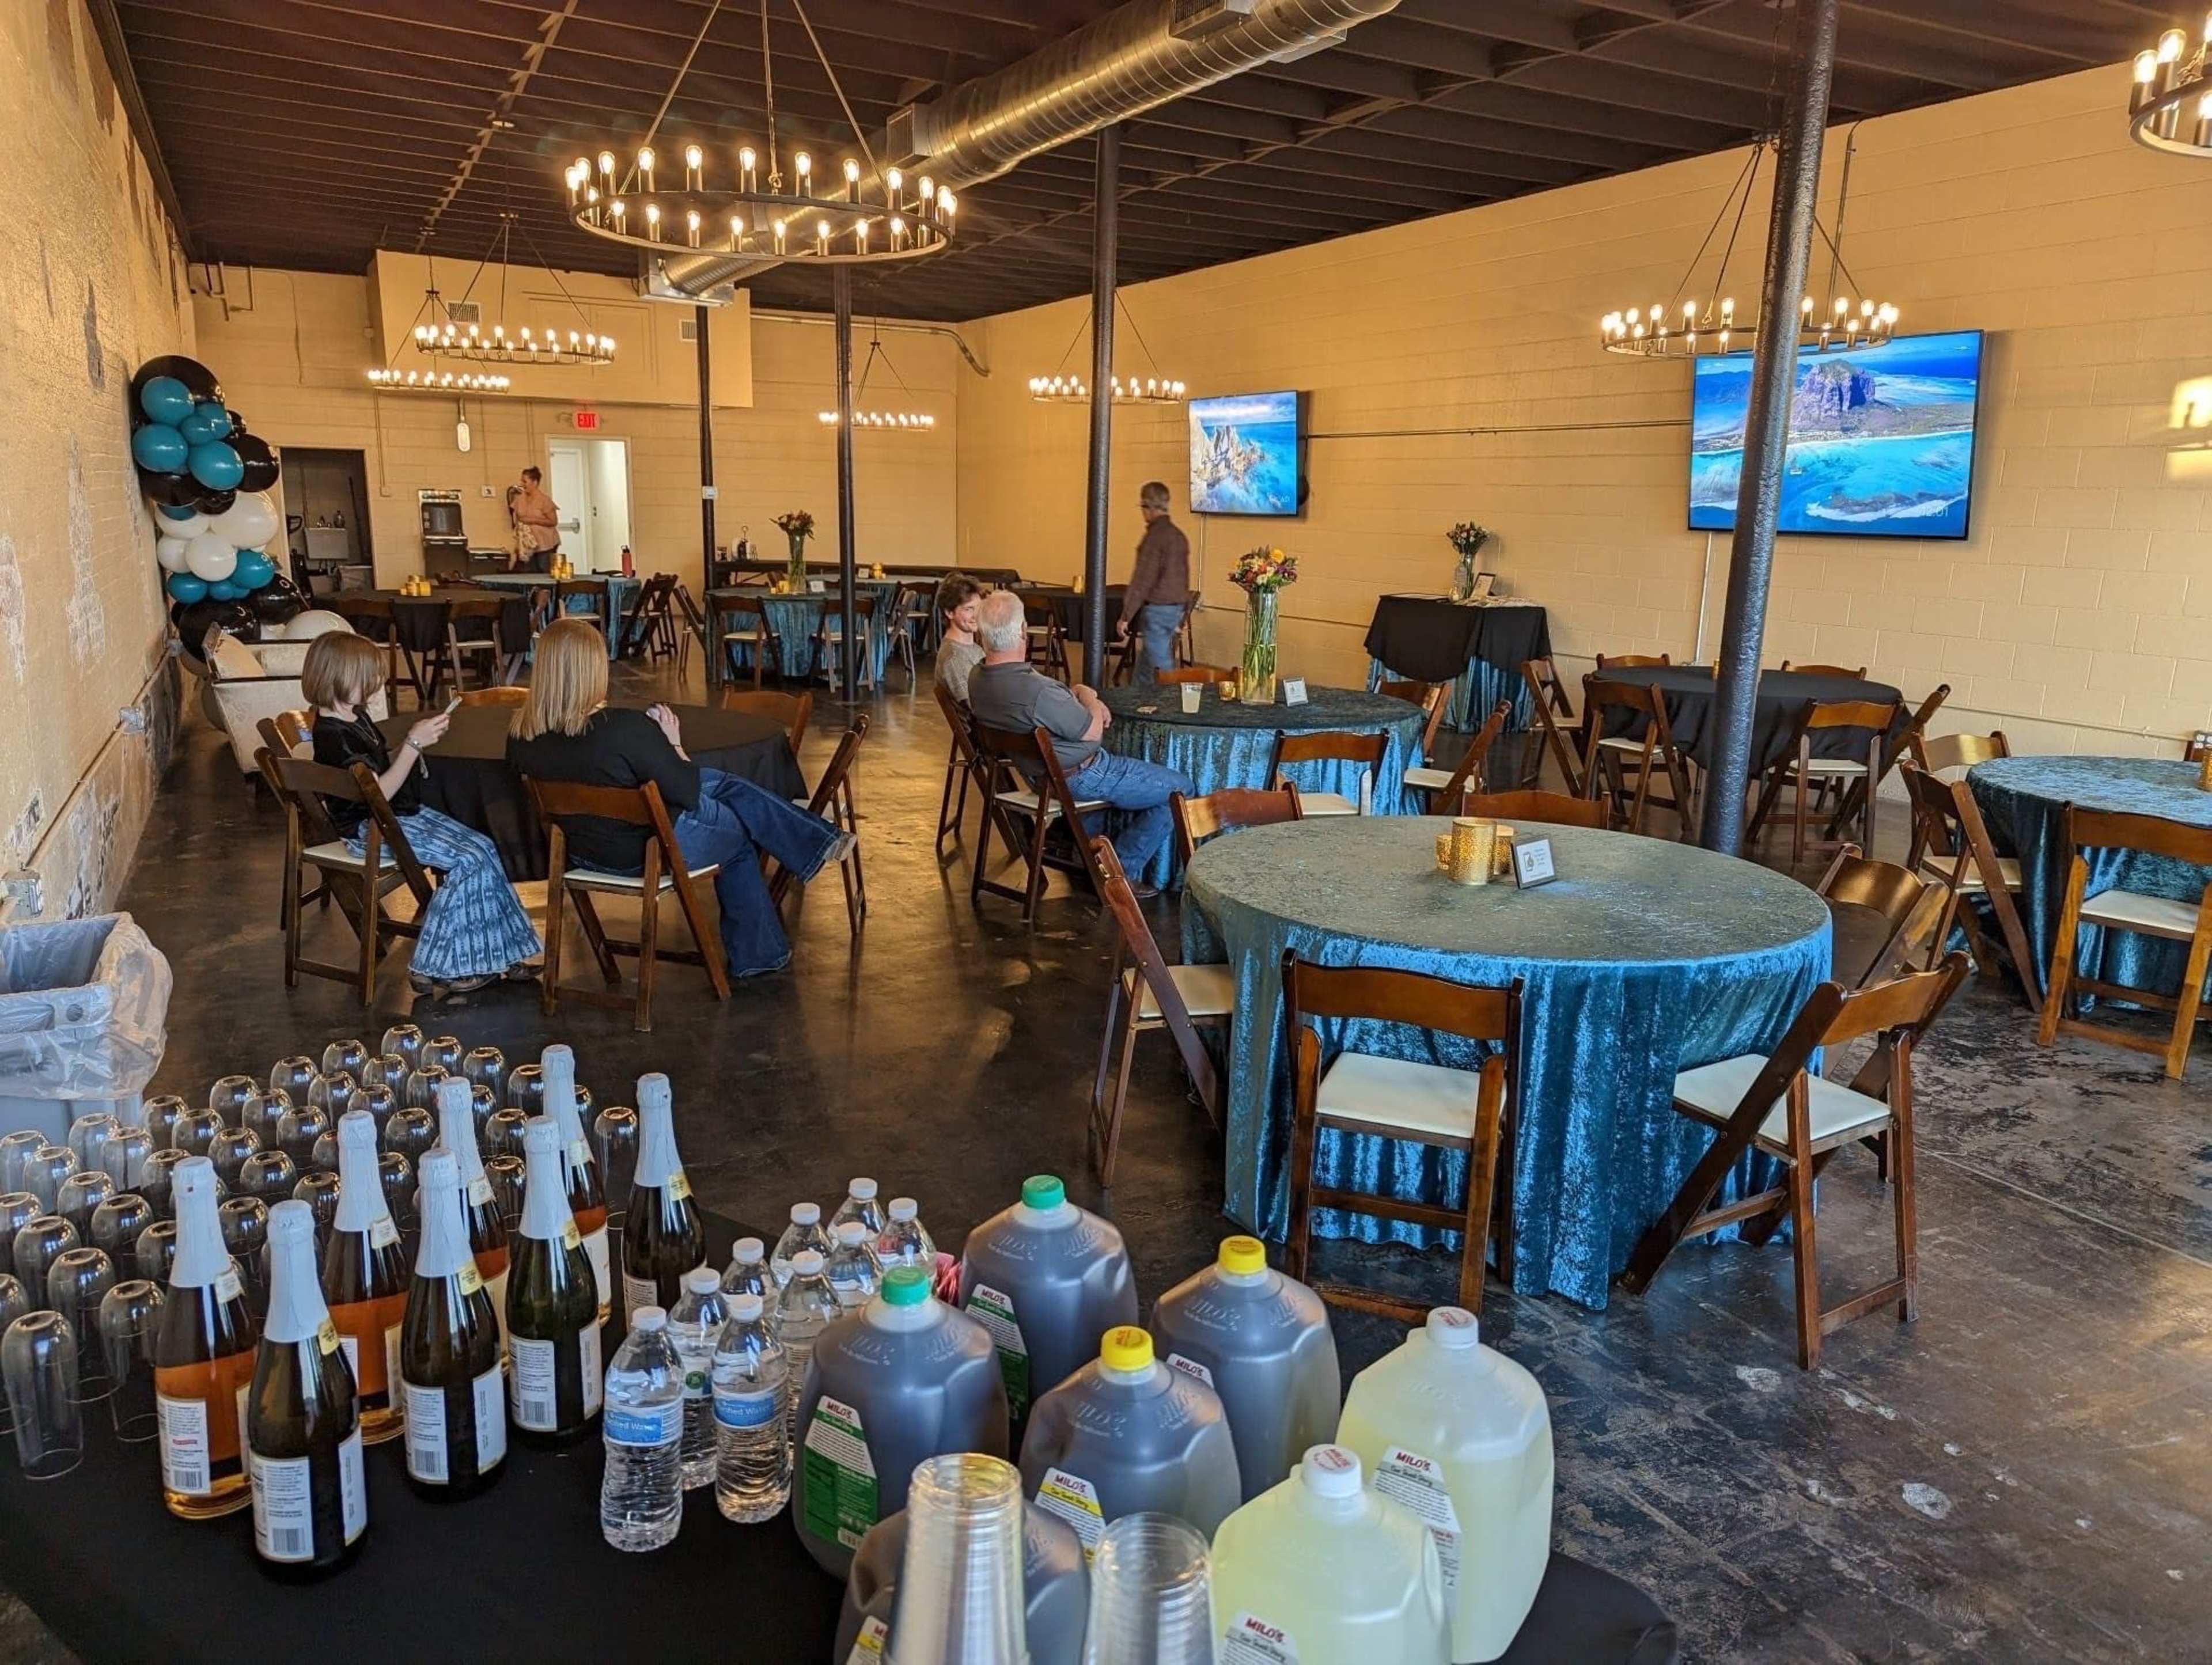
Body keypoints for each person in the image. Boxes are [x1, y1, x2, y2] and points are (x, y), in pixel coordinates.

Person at [507, 619, 852, 979]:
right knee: (737, 834)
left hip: (583, 854)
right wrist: (673, 742)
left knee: (720, 784)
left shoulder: (520, 736)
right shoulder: (626, 729)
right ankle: (761, 953)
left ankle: (818, 840)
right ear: (592, 669)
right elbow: (686, 793)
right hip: (648, 855)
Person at [300, 632, 542, 1002]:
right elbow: (376, 792)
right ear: (336, 675)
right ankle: (435, 967)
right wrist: (412, 747)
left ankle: (499, 953)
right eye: (365, 677)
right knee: (468, 860)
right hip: (371, 829)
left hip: (392, 818)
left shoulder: (353, 717)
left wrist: (416, 741)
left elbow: (375, 769)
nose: (373, 684)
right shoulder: (333, 736)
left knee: (484, 847)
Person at [968, 590, 1191, 894]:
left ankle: (1081, 849)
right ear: (1022, 631)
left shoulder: (977, 679)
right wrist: (1087, 694)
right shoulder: (1039, 691)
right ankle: (1118, 870)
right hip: (1082, 775)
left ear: (982, 634)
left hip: (1039, 776)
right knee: (1180, 790)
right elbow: (1092, 732)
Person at [1115, 481, 1191, 684]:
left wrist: (1125, 616)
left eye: (1143, 507)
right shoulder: (1179, 536)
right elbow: (1184, 577)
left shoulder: (1154, 538)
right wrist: (1181, 615)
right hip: (1175, 609)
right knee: (1145, 668)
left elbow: (1143, 580)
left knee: (1161, 668)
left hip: (1157, 610)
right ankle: (1135, 703)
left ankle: (1172, 707)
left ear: (1148, 507)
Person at [933, 571, 986, 704]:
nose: (976, 616)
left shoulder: (975, 649)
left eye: (979, 608)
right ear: (949, 612)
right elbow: (974, 707)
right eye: (969, 609)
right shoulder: (954, 658)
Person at [511, 466, 560, 572]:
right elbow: (517, 519)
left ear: (535, 483)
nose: (523, 484)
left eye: (525, 482)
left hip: (545, 544)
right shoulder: (519, 500)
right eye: (522, 481)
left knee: (543, 570)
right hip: (527, 545)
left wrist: (532, 521)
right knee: (528, 572)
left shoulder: (544, 500)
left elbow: (553, 522)